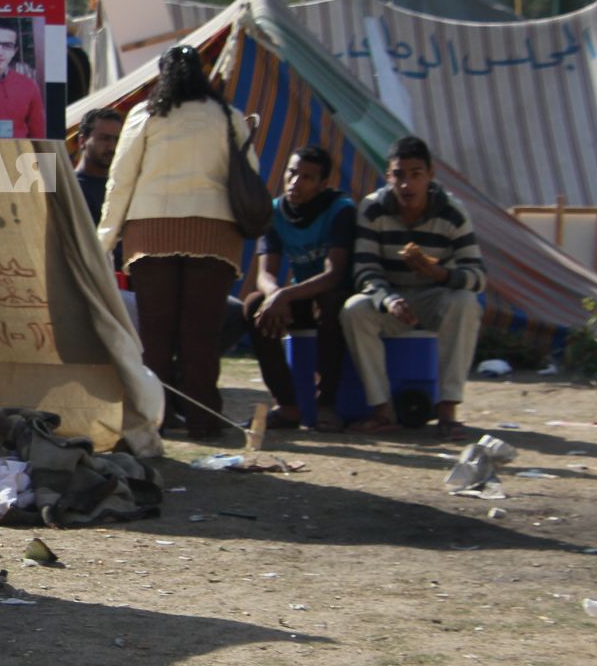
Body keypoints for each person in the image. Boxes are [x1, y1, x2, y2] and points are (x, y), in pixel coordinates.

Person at [96, 44, 256, 442]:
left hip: (151, 231)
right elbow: (250, 176)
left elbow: (121, 181)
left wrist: (104, 239)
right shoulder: (227, 116)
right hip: (214, 232)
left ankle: (156, 420)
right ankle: (203, 418)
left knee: (156, 332)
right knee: (201, 331)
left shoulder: (146, 115)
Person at [341, 135, 485, 443]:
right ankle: (382, 410)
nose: (407, 185)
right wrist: (388, 299)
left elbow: (477, 275)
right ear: (388, 176)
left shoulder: (453, 212)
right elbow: (365, 270)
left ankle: (447, 411)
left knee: (466, 302)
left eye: (416, 174)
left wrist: (440, 273)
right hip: (392, 299)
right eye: (399, 175)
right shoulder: (372, 209)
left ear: (430, 175)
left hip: (436, 299)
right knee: (354, 310)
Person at [242, 145, 356, 432]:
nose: (295, 183)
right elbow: (265, 273)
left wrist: (284, 294)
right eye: (292, 173)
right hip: (299, 294)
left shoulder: (340, 210)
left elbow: (334, 274)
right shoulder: (275, 211)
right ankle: (288, 404)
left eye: (307, 177)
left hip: (336, 294)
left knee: (331, 304)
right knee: (255, 305)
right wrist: (273, 295)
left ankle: (326, 403)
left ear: (322, 184)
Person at [74, 106, 124, 228]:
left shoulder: (121, 187)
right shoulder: (70, 188)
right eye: (104, 138)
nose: (112, 147)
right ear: (82, 141)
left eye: (117, 140)